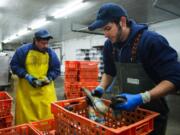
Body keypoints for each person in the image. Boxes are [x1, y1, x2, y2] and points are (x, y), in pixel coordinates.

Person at [88, 3, 180, 135]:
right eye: (103, 30)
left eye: (108, 28)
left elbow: (175, 79)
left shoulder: (151, 41)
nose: (105, 34)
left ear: (122, 22)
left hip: (152, 115)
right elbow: (109, 72)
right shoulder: (110, 46)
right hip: (126, 111)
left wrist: (143, 97)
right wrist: (101, 87)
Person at [10, 29, 60, 125]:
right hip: (26, 91)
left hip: (45, 91)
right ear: (35, 41)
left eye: (47, 43)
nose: (45, 46)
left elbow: (56, 69)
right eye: (43, 43)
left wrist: (49, 78)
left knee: (47, 116)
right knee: (26, 118)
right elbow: (14, 66)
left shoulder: (50, 53)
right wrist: (27, 75)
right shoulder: (23, 51)